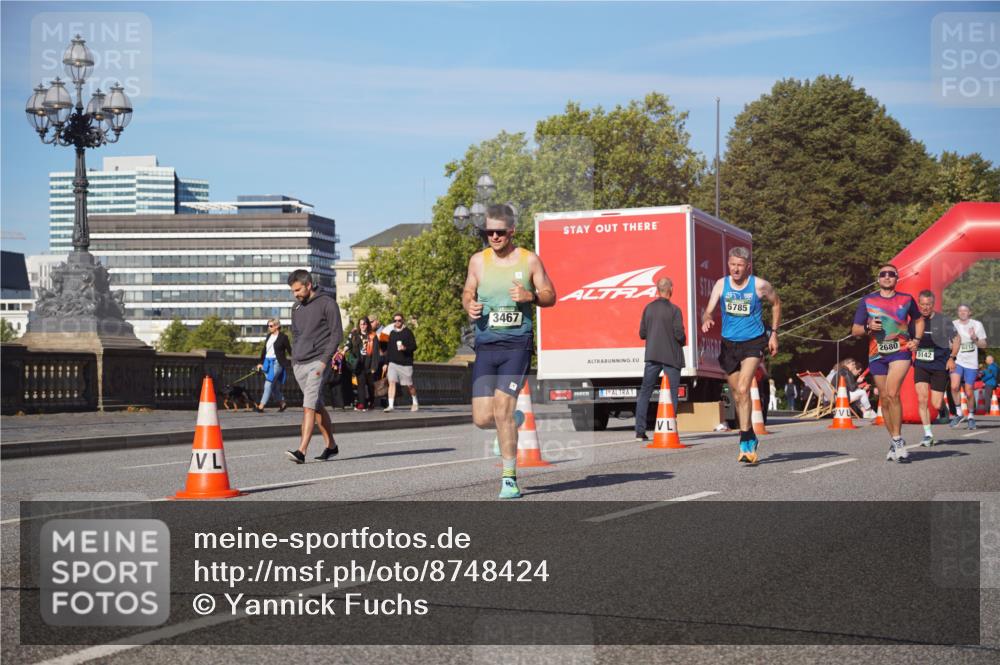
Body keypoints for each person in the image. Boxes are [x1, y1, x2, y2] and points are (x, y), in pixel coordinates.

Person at [462, 204, 556, 499]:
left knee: (501, 408)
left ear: (511, 231)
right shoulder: (478, 261)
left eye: (499, 232)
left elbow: (551, 295)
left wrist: (531, 296)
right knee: (481, 419)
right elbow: (468, 291)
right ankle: (512, 421)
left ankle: (509, 478)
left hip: (517, 345)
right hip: (486, 346)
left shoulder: (529, 260)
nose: (493, 236)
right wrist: (469, 305)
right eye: (488, 231)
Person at [701, 246, 781, 465]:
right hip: (729, 344)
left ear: (748, 266)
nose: (736, 269)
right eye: (732, 265)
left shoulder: (759, 285)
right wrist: (707, 318)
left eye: (740, 265)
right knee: (737, 394)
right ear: (728, 264)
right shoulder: (721, 284)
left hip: (753, 342)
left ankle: (745, 439)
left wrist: (773, 334)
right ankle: (750, 433)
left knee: (745, 387)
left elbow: (776, 304)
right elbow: (707, 310)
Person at [851, 263, 923, 462]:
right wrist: (868, 326)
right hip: (877, 354)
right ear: (878, 279)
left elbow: (918, 320)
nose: (887, 277)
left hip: (900, 352)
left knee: (893, 393)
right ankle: (893, 439)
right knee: (884, 397)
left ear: (896, 278)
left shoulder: (907, 299)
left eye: (891, 274)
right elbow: (855, 330)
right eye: (883, 274)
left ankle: (899, 439)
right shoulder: (868, 301)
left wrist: (916, 340)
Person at [284, 269, 343, 464]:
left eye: (298, 290)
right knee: (316, 406)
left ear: (308, 285)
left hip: (318, 362)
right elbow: (296, 334)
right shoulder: (296, 308)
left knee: (308, 406)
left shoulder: (328, 303)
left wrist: (324, 362)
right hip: (300, 363)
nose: (295, 294)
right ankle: (331, 446)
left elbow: (336, 335)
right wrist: (294, 360)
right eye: (293, 291)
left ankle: (301, 451)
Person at [634, 277, 686, 441]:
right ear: (670, 289)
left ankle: (640, 431)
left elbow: (642, 334)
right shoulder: (675, 310)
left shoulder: (648, 309)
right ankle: (670, 428)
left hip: (652, 356)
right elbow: (679, 334)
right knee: (671, 395)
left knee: (645, 392)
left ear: (658, 290)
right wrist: (683, 339)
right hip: (671, 357)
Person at [911, 290, 960, 447]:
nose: (925, 307)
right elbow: (908, 339)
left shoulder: (943, 320)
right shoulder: (914, 321)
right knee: (922, 399)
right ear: (919, 304)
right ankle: (928, 434)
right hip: (921, 364)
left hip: (940, 364)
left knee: (936, 404)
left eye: (929, 304)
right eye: (923, 304)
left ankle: (943, 408)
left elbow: (957, 339)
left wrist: (952, 358)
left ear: (933, 304)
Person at [949, 304, 988, 430]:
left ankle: (971, 416)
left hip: (971, 363)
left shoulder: (977, 325)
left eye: (965, 311)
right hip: (957, 360)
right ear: (957, 313)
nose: (962, 313)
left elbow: (984, 345)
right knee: (954, 387)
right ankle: (959, 413)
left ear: (970, 312)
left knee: (969, 390)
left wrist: (974, 338)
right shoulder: (953, 324)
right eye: (960, 311)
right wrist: (951, 346)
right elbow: (948, 342)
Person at [385, 313, 419, 412]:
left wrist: (405, 348)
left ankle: (415, 401)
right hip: (393, 363)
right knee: (391, 382)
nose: (397, 322)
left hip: (405, 363)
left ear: (402, 321)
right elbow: (389, 349)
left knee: (409, 385)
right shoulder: (392, 333)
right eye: (395, 320)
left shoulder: (408, 332)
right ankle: (391, 405)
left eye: (399, 320)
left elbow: (414, 346)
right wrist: (386, 363)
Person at [255, 317, 290, 413]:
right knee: (273, 387)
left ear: (277, 326)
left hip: (277, 363)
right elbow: (264, 350)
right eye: (268, 326)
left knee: (268, 383)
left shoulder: (283, 337)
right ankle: (283, 403)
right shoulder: (268, 336)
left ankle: (261, 406)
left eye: (271, 326)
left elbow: (290, 351)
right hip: (267, 363)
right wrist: (260, 363)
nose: (269, 327)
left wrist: (297, 361)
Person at [348, 317, 381, 411]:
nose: (363, 326)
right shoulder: (356, 335)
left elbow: (375, 352)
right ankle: (362, 403)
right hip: (359, 363)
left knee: (370, 385)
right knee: (360, 384)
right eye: (361, 324)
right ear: (359, 325)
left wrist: (374, 366)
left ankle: (371, 401)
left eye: (365, 324)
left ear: (368, 325)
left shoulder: (372, 336)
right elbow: (351, 347)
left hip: (369, 363)